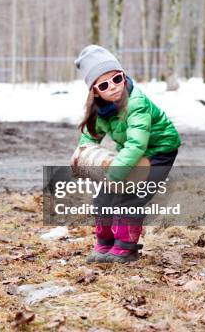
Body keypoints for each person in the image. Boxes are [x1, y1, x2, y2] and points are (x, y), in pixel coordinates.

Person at [74, 45, 181, 263]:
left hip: (160, 151)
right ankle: (104, 244)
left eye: (117, 78)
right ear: (95, 91)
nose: (113, 87)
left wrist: (115, 175)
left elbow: (136, 145)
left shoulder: (136, 103)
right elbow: (89, 139)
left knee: (130, 195)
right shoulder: (100, 111)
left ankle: (125, 248)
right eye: (104, 84)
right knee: (103, 197)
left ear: (124, 76)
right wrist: (83, 158)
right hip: (131, 153)